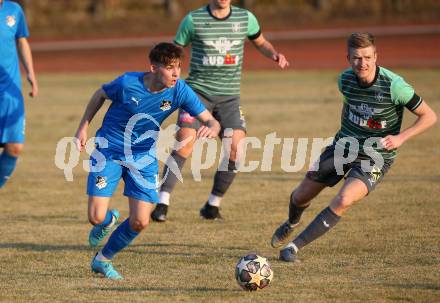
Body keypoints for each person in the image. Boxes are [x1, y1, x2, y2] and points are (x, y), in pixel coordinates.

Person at [271, 32, 437, 262]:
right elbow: (348, 107)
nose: (363, 63)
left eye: (368, 57)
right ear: (348, 58)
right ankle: (291, 222)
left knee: (344, 199)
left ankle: (292, 248)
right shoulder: (345, 80)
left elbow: (429, 116)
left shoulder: (395, 86)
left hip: (375, 155)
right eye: (357, 58)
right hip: (343, 146)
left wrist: (400, 138)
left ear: (376, 56)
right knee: (300, 196)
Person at [74, 42, 220, 280]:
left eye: (179, 67)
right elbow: (100, 94)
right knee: (96, 218)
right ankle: (109, 219)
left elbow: (209, 119)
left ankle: (102, 260)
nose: (176, 74)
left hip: (142, 156)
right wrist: (83, 127)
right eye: (170, 68)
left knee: (141, 221)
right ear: (153, 68)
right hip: (108, 151)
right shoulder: (126, 83)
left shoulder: (179, 90)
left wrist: (213, 126)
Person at [151, 0, 289, 222]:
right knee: (184, 143)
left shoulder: (246, 18)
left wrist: (274, 54)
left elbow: (261, 42)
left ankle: (212, 206)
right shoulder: (193, 20)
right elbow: (174, 53)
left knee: (235, 149)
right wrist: (162, 77)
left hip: (230, 98)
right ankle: (162, 202)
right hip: (196, 94)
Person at [0, 0, 38, 188]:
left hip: (9, 91)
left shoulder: (14, 10)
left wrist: (30, 72)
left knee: (14, 147)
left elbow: (21, 39)